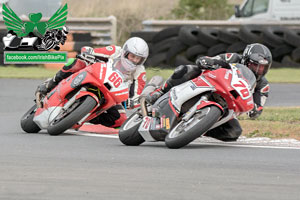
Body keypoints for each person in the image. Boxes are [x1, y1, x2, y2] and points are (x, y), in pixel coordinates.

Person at [146, 43, 272, 141]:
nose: (258, 71)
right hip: (211, 85)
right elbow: (210, 60)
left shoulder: (262, 85)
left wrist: (253, 109)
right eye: (255, 65)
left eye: (263, 68)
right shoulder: (234, 58)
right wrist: (209, 62)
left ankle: (196, 128)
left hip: (226, 108)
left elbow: (257, 110)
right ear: (245, 60)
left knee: (233, 132)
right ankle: (161, 92)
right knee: (186, 70)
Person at [36, 37, 149, 128]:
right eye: (132, 56)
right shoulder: (115, 51)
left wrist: (132, 102)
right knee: (76, 62)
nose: (134, 60)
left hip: (112, 95)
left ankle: (86, 116)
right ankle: (51, 84)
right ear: (125, 52)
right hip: (96, 75)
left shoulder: (140, 73)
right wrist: (88, 53)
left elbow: (136, 94)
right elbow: (94, 52)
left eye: (138, 58)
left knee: (120, 119)